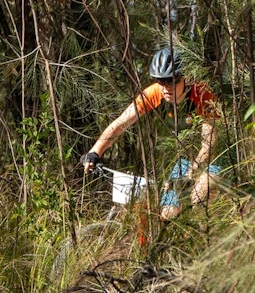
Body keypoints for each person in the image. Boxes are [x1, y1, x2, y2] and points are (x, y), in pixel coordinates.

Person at [81, 46, 221, 220]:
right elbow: (121, 122)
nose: (166, 87)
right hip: (184, 161)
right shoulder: (155, 92)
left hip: (214, 158)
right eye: (161, 81)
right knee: (168, 215)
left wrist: (192, 173)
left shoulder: (202, 94)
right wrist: (95, 151)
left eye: (172, 81)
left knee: (199, 196)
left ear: (187, 78)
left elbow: (209, 144)